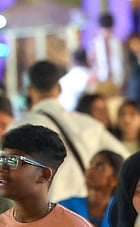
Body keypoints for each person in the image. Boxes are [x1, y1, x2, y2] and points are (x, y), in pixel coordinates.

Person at [12, 61, 128, 202]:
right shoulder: (88, 125)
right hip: (85, 214)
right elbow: (127, 160)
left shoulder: (18, 129)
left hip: (43, 216)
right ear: (59, 88)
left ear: (29, 90)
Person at [59, 149, 122, 227]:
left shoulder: (122, 213)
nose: (90, 170)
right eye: (91, 165)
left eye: (100, 166)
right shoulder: (66, 207)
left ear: (114, 180)